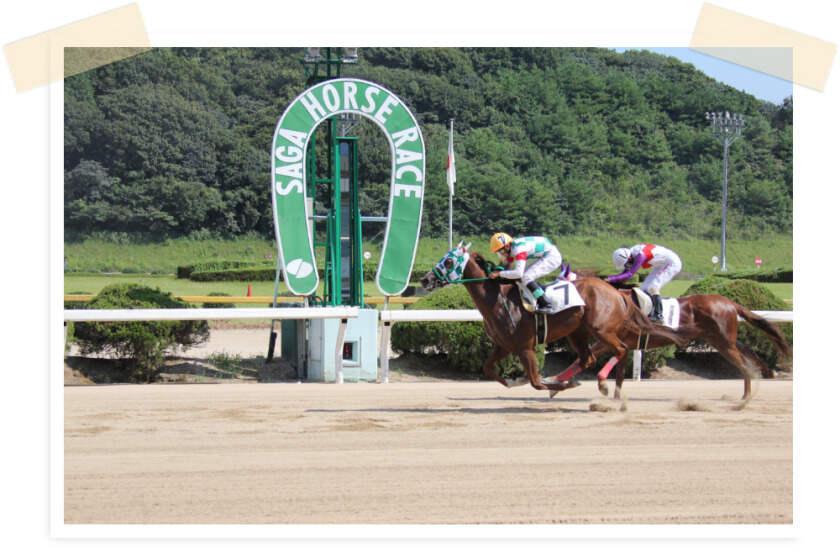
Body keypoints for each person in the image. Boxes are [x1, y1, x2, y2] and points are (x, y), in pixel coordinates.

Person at [605, 243, 682, 322]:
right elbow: (624, 273)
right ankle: (649, 312)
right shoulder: (631, 255)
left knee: (653, 286)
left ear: (629, 258)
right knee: (643, 289)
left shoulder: (640, 255)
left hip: (672, 264)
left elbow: (629, 274)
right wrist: (610, 279)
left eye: (627, 264)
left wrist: (610, 279)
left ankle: (659, 315)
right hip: (661, 265)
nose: (627, 266)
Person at [488, 232, 563, 312]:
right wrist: (498, 270)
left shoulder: (519, 249)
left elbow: (518, 273)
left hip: (552, 257)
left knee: (526, 277)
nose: (501, 254)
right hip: (545, 253)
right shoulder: (513, 247)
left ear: (507, 246)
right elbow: (507, 262)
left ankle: (545, 303)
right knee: (525, 276)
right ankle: (537, 294)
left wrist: (499, 274)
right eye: (498, 252)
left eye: (501, 251)